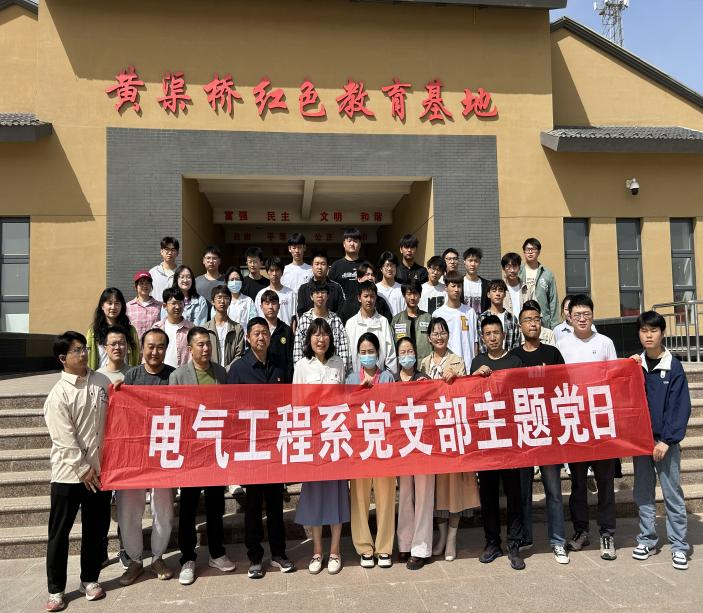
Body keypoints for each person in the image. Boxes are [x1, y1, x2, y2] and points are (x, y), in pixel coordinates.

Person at [44, 332, 112, 611]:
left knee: (95, 529)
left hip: (100, 473)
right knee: (59, 533)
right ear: (63, 358)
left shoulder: (102, 382)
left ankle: (90, 579)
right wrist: (83, 469)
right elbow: (63, 439)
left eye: (84, 348)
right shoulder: (58, 394)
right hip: (68, 476)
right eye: (76, 351)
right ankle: (56, 590)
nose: (83, 354)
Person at [228, 317, 294, 579]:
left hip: (275, 444)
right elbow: (231, 409)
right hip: (251, 447)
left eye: (264, 332)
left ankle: (279, 553)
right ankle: (255, 558)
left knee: (276, 503)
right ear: (247, 337)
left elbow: (289, 401)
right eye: (256, 333)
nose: (261, 337)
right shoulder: (238, 369)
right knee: (254, 505)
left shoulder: (279, 365)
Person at [556, 294, 619, 560]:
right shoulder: (561, 345)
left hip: (601, 422)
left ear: (593, 315)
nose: (582, 319)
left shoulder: (605, 343)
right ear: (569, 317)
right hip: (575, 422)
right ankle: (581, 531)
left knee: (605, 481)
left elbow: (615, 378)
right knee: (578, 483)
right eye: (577, 314)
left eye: (587, 314)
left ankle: (607, 532)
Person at [170, 327, 234, 585]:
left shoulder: (221, 373)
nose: (206, 349)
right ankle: (187, 557)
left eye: (208, 344)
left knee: (216, 504)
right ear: (190, 348)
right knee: (188, 507)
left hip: (215, 449)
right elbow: (174, 413)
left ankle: (217, 552)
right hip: (191, 452)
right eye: (200, 344)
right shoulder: (178, 376)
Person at [630, 311, 691, 571]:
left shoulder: (673, 366)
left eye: (653, 330)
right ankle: (646, 539)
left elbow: (680, 407)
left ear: (662, 333)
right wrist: (626, 367)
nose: (649, 335)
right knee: (643, 493)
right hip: (641, 441)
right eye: (644, 331)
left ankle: (679, 545)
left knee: (671, 493)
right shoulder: (635, 365)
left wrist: (666, 440)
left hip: (665, 442)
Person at [116, 328, 176, 586]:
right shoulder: (131, 376)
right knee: (129, 508)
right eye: (150, 346)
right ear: (142, 348)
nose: (155, 352)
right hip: (135, 453)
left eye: (160, 347)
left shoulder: (173, 376)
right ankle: (135, 560)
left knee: (163, 508)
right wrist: (117, 391)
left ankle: (158, 557)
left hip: (163, 451)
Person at [510, 304, 569, 564]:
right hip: (523, 432)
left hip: (549, 431)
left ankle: (558, 541)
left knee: (553, 490)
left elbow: (565, 386)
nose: (532, 323)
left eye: (536, 319)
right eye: (527, 319)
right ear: (520, 326)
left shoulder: (553, 353)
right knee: (522, 491)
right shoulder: (513, 357)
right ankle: (525, 538)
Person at [420, 317, 478, 562]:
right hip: (431, 433)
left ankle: (452, 538)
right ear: (429, 338)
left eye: (443, 332)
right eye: (435, 333)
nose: (439, 337)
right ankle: (441, 536)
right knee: (437, 488)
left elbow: (466, 393)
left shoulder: (458, 361)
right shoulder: (423, 363)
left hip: (452, 432)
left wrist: (457, 379)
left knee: (454, 488)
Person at [293, 319, 349, 575]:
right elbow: (296, 403)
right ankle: (317, 550)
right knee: (315, 494)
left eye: (325, 334)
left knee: (337, 494)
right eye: (315, 335)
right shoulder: (302, 366)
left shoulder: (339, 363)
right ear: (308, 339)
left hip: (335, 437)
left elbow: (345, 399)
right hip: (314, 438)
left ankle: (335, 550)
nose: (320, 339)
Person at [471, 315, 526, 570]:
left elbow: (523, 393)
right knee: (489, 494)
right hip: (486, 439)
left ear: (503, 334)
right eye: (488, 334)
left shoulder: (515, 361)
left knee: (514, 494)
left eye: (496, 333)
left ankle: (514, 544)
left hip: (511, 439)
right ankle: (492, 542)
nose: (492, 337)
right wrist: (474, 377)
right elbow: (469, 396)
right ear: (483, 338)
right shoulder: (477, 362)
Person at [345, 332, 396, 568]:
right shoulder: (351, 378)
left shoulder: (387, 377)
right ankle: (364, 547)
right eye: (363, 352)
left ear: (378, 353)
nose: (367, 356)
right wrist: (358, 392)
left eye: (371, 351)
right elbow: (345, 411)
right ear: (358, 355)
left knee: (386, 498)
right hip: (359, 448)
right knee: (359, 499)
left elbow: (394, 408)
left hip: (383, 446)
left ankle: (384, 547)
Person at [394, 336, 433, 570]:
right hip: (402, 448)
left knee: (424, 497)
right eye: (403, 352)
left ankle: (421, 548)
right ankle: (405, 543)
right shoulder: (392, 380)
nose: (407, 355)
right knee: (405, 496)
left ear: (416, 355)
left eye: (410, 351)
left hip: (423, 447)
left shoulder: (424, 379)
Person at [293, 282, 350, 372]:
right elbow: (298, 350)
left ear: (328, 296)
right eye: (317, 292)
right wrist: (300, 371)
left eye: (323, 292)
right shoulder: (304, 320)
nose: (320, 296)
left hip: (332, 371)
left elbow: (344, 349)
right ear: (311, 296)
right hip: (309, 372)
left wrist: (341, 371)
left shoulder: (336, 320)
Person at [345, 280, 397, 373]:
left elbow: (390, 353)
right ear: (359, 298)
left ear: (376, 298)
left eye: (372, 296)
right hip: (357, 377)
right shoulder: (351, 323)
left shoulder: (383, 322)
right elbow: (347, 354)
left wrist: (389, 376)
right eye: (366, 296)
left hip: (380, 378)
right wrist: (351, 377)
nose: (369, 300)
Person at [432, 272, 477, 373]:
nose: (456, 289)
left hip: (469, 366)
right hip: (448, 368)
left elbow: (475, 341)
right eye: (453, 286)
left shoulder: (470, 312)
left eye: (459, 286)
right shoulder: (438, 314)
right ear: (446, 288)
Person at [86, 287, 140, 371]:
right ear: (102, 306)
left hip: (125, 375)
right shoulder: (93, 331)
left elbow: (136, 354)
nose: (113, 307)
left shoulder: (130, 330)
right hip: (100, 375)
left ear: (122, 306)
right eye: (110, 303)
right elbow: (88, 356)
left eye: (117, 303)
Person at [519, 237, 559, 329]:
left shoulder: (547, 274)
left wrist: (554, 325)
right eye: (528, 249)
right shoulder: (518, 272)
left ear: (539, 252)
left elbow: (553, 300)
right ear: (524, 252)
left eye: (533, 249)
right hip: (522, 320)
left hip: (543, 321)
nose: (530, 252)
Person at [391, 280, 432, 365]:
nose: (412, 297)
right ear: (404, 295)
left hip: (425, 365)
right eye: (409, 294)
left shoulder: (428, 318)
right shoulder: (396, 320)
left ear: (420, 295)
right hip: (403, 366)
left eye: (415, 293)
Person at [204, 285, 245, 370]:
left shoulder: (237, 328)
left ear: (229, 301)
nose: (222, 301)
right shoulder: (205, 329)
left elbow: (239, 354)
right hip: (211, 372)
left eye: (226, 298)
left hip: (232, 372)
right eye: (219, 297)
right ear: (212, 301)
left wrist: (228, 369)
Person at [296, 249, 346, 317]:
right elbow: (300, 312)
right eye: (317, 264)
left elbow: (341, 311)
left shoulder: (336, 288)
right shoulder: (303, 289)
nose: (319, 267)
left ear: (328, 267)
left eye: (323, 264)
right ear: (312, 267)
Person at [154, 287, 194, 369]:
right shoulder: (156, 328)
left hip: (183, 373)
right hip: (161, 372)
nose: (177, 307)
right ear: (165, 305)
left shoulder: (191, 329)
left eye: (180, 303)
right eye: (173, 303)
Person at [477, 279, 520, 354]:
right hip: (488, 359)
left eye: (500, 290)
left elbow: (516, 343)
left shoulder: (512, 318)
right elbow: (482, 344)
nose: (497, 294)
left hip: (509, 359)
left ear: (505, 294)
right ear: (488, 294)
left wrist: (510, 358)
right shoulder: (482, 318)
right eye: (494, 291)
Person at [259, 289, 294, 382]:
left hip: (281, 381)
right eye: (267, 303)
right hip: (260, 380)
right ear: (261, 306)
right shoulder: (256, 330)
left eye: (274, 303)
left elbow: (290, 359)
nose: (270, 307)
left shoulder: (286, 331)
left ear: (279, 306)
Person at [255, 256, 297, 327]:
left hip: (285, 332)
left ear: (282, 272)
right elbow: (258, 317)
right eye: (271, 270)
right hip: (267, 332)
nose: (274, 274)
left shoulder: (291, 294)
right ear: (267, 272)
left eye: (277, 270)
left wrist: (291, 333)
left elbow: (294, 319)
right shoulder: (261, 294)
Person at [126, 271, 162, 340]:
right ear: (135, 287)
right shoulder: (128, 307)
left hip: (154, 345)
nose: (145, 286)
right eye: (141, 283)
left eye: (147, 283)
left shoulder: (159, 306)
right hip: (135, 346)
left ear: (151, 286)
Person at [329, 227, 362, 298]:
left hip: (362, 305)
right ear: (344, 244)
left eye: (355, 241)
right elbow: (330, 290)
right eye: (349, 241)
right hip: (341, 305)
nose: (352, 244)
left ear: (360, 244)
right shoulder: (336, 266)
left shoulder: (366, 265)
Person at [224, 265, 257, 330]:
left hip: (244, 335)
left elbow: (253, 322)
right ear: (227, 283)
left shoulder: (248, 301)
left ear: (241, 282)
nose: (234, 282)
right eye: (232, 280)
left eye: (237, 279)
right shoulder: (222, 301)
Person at [149, 236, 179, 302]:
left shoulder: (181, 273)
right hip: (156, 308)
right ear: (161, 251)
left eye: (173, 250)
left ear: (177, 252)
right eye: (166, 249)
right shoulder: (153, 272)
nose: (169, 253)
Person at [462, 247, 490, 316]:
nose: (473, 264)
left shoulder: (487, 284)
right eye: (470, 260)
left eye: (476, 261)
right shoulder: (458, 283)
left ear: (479, 262)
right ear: (464, 262)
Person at [376, 251, 405, 316]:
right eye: (387, 265)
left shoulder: (402, 289)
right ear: (381, 268)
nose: (390, 268)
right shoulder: (376, 289)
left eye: (392, 265)